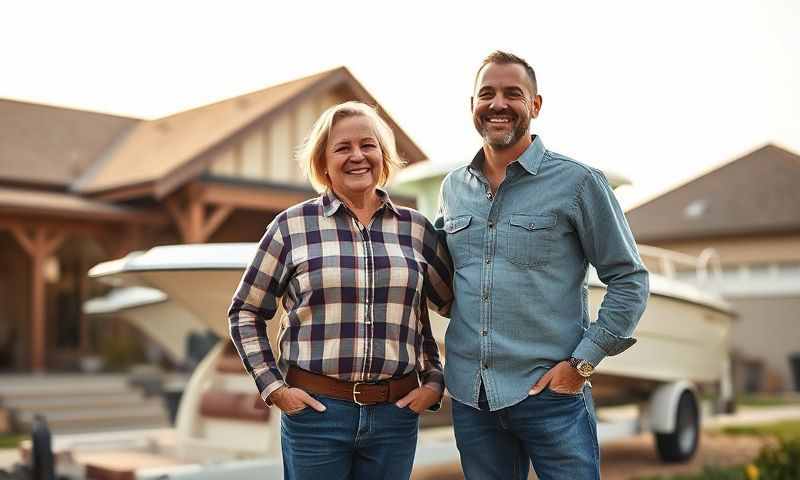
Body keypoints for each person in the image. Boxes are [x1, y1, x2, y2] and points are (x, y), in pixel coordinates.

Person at [436, 51, 650, 480]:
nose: (498, 104)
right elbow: (447, 286)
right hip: (470, 397)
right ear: (471, 106)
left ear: (535, 105)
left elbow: (629, 279)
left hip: (551, 395)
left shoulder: (579, 183)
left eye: (513, 94)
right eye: (487, 94)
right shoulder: (453, 188)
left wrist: (582, 365)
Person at [228, 101, 453, 480]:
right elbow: (245, 312)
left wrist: (434, 381)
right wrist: (274, 388)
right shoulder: (290, 227)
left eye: (368, 145)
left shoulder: (417, 231)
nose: (357, 156)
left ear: (383, 155)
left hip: (396, 415)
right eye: (342, 147)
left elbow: (451, 308)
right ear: (323, 161)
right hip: (316, 414)